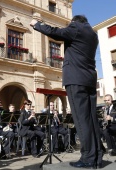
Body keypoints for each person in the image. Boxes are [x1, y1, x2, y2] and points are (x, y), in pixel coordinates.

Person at [30, 15, 103, 168]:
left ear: (74, 21)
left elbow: (56, 32)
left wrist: (37, 24)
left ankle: (88, 158)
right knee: (91, 119)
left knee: (81, 119)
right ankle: (96, 156)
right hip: (89, 79)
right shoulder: (93, 35)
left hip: (76, 79)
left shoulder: (76, 27)